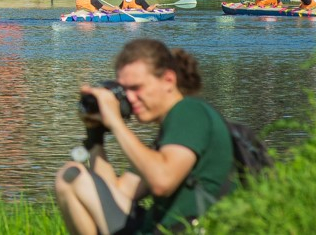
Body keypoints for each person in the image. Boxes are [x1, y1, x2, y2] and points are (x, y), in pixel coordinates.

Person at [54, 38, 233, 235]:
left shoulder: (189, 111)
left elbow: (162, 182)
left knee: (72, 175)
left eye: (136, 88)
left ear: (168, 80)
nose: (130, 98)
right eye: (124, 90)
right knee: (73, 177)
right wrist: (96, 135)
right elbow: (117, 192)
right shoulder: (168, 137)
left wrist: (116, 121)